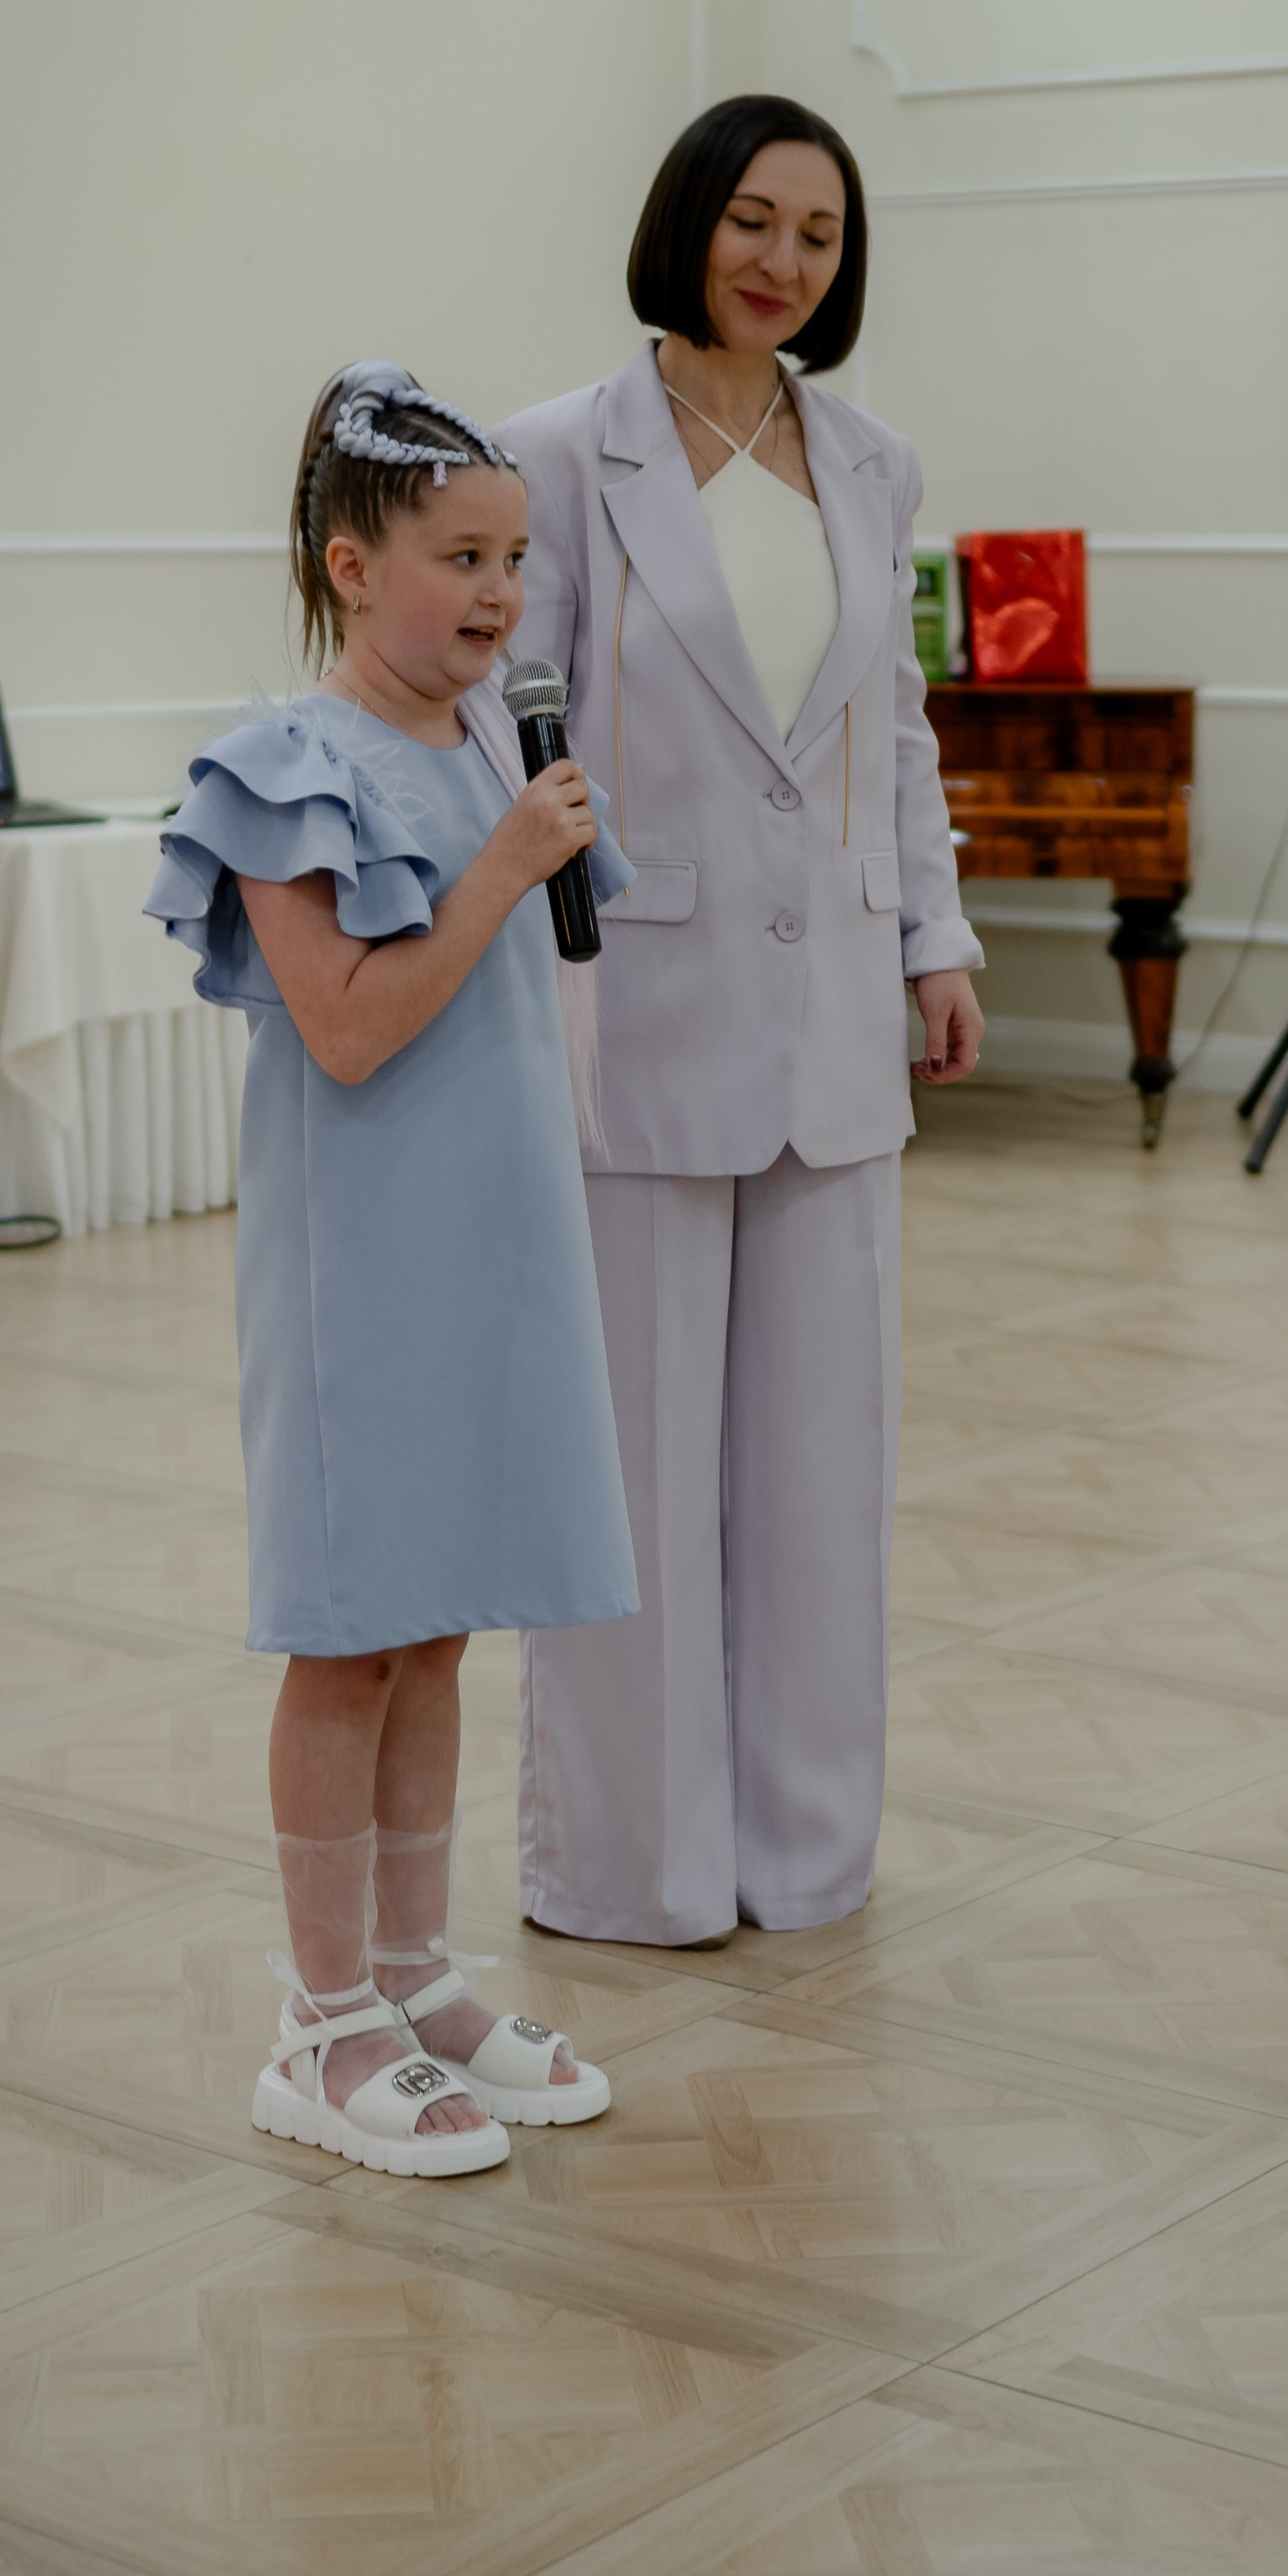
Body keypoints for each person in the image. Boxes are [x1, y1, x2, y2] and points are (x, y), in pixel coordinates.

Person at [502, 95, 985, 1949]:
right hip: (637, 1009)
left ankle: (806, 1856)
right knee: (636, 1468)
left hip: (837, 1016)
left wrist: (929, 937)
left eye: (820, 237)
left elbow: (898, 728)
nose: (783, 264)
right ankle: (628, 1869)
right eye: (754, 222)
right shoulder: (557, 454)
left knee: (817, 1481)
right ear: (686, 222)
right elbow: (514, 725)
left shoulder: (870, 463)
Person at [146, 361, 638, 2174]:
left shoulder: (491, 742)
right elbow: (347, 1033)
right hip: (365, 1268)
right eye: (461, 557)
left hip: (492, 1250)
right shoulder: (286, 771)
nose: (502, 595)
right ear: (354, 569)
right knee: (351, 1637)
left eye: (515, 559)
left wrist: (519, 844)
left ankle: (419, 1983)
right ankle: (319, 2019)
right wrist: (505, 870)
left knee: (438, 1627)